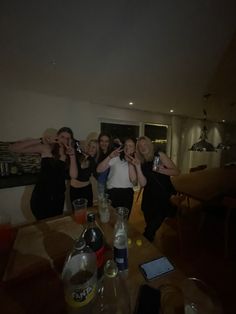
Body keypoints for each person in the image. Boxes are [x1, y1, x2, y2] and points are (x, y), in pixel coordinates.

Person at [9, 127, 76, 220]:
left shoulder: (69, 153)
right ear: (57, 137)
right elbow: (13, 148)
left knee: (55, 226)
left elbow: (74, 175)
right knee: (43, 228)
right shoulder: (47, 148)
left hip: (58, 199)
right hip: (42, 197)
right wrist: (41, 139)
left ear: (70, 140)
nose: (64, 140)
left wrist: (72, 155)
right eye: (62, 137)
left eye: (67, 138)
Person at [131, 136, 180, 242]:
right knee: (149, 221)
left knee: (150, 229)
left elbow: (176, 171)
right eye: (140, 146)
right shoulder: (141, 161)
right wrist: (137, 167)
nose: (143, 147)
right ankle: (151, 241)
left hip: (164, 195)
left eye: (145, 144)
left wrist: (162, 170)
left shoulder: (159, 155)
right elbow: (142, 183)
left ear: (149, 144)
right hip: (149, 195)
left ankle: (146, 242)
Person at [96, 137, 137, 217]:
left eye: (130, 146)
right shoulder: (116, 157)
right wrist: (110, 156)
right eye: (126, 145)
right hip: (112, 193)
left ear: (135, 149)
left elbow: (134, 182)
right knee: (111, 218)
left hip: (127, 194)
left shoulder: (136, 162)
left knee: (123, 220)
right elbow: (99, 170)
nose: (127, 147)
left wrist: (130, 163)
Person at [69, 139, 98, 208]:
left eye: (93, 147)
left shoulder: (93, 161)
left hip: (85, 190)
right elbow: (73, 142)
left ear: (97, 150)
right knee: (75, 212)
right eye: (89, 145)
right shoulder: (79, 154)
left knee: (87, 212)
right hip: (73, 190)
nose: (90, 148)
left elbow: (84, 167)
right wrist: (82, 143)